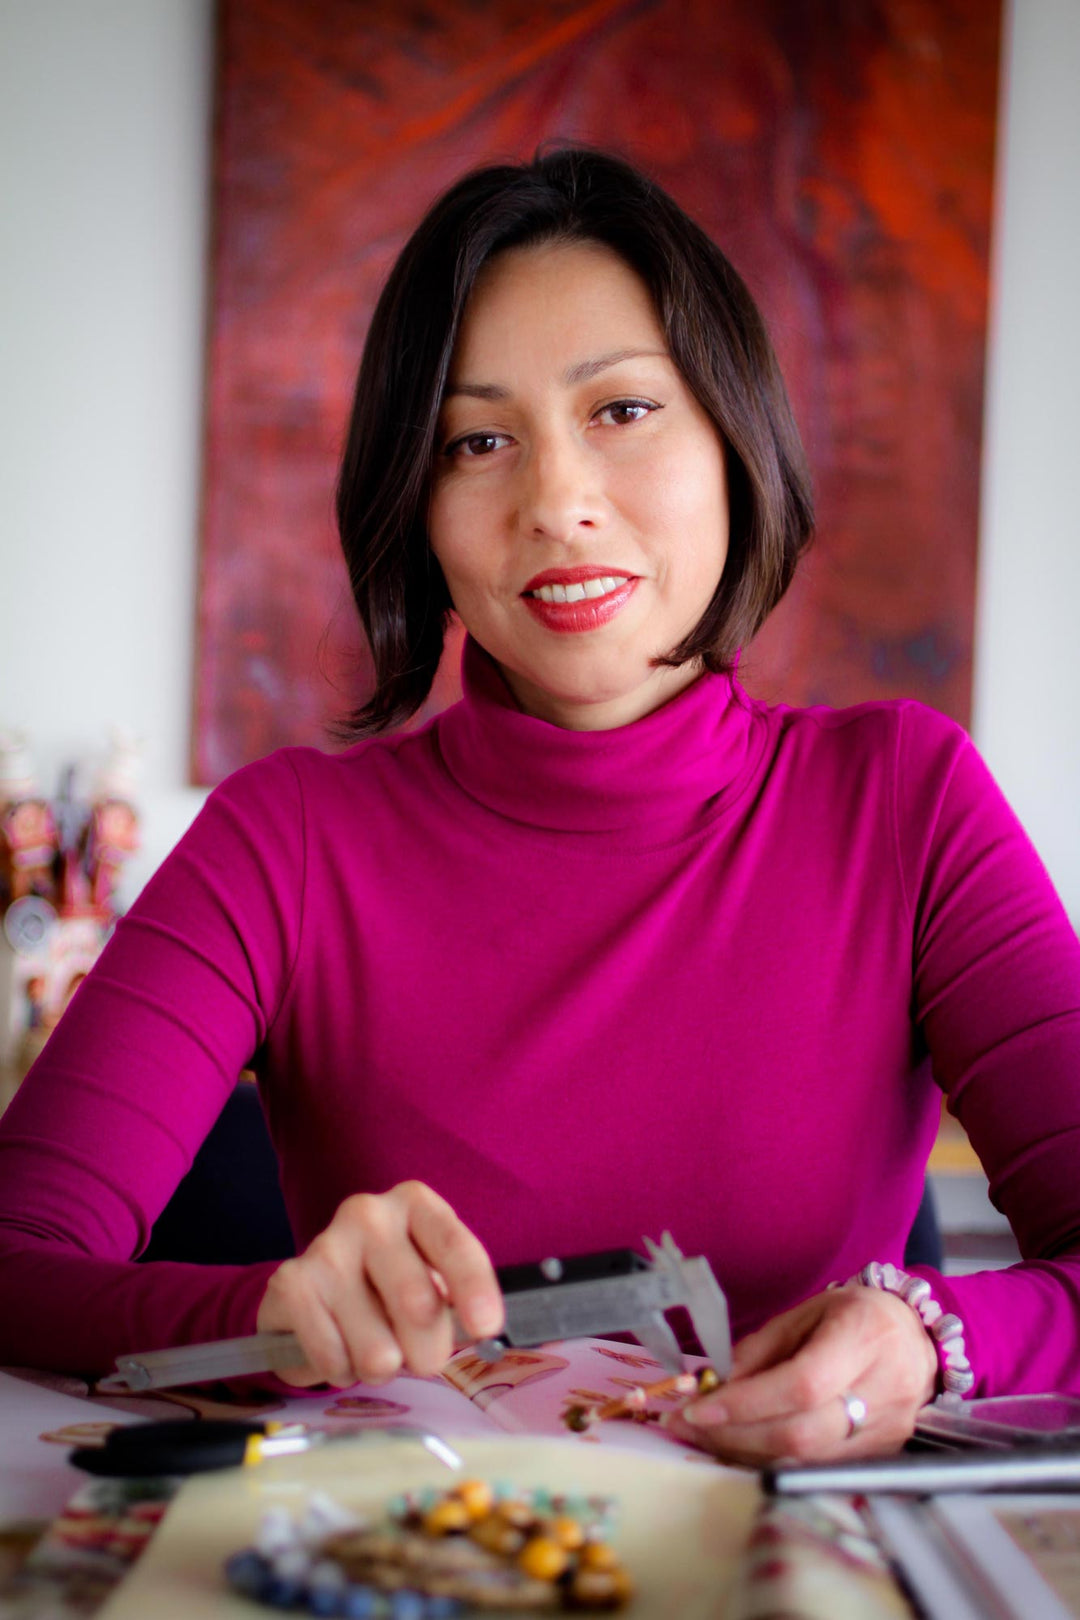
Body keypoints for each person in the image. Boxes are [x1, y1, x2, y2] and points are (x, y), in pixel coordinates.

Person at [1, 147, 1079, 1469]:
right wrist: (265, 1313)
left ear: (733, 439)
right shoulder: (279, 841)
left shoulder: (907, 799)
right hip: (409, 1571)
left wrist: (931, 1340)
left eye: (622, 410)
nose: (557, 503)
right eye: (479, 440)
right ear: (419, 506)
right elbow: (15, 1258)